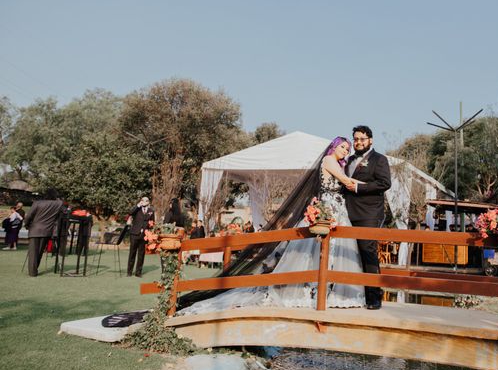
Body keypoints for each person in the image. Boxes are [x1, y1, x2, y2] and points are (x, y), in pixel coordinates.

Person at [179, 136, 365, 315]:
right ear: (334, 146)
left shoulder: (338, 164)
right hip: (327, 210)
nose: (345, 151)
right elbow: (345, 181)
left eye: (348, 150)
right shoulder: (329, 160)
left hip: (337, 211)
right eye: (343, 147)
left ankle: (327, 292)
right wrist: (369, 186)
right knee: (313, 252)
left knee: (332, 253)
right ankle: (308, 290)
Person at [344, 125, 392, 310]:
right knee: (349, 253)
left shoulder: (379, 160)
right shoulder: (348, 161)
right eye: (356, 139)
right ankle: (356, 294)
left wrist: (358, 188)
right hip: (347, 212)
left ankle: (374, 296)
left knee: (367, 251)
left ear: (370, 140)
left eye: (362, 139)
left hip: (369, 214)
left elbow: (384, 183)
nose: (358, 142)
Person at [23, 189, 66, 276]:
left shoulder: (37, 203)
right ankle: (34, 269)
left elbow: (29, 216)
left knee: (33, 252)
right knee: (39, 251)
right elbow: (65, 212)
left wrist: (27, 225)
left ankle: (32, 272)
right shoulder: (58, 203)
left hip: (34, 229)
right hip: (47, 231)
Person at [126, 196, 155, 277]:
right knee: (132, 253)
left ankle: (138, 273)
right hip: (134, 234)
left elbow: (152, 223)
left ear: (148, 202)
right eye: (143, 200)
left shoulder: (151, 211)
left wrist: (149, 233)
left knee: (141, 254)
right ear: (141, 201)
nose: (144, 201)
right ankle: (129, 271)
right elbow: (130, 213)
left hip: (144, 235)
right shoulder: (137, 209)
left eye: (146, 200)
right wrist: (138, 205)